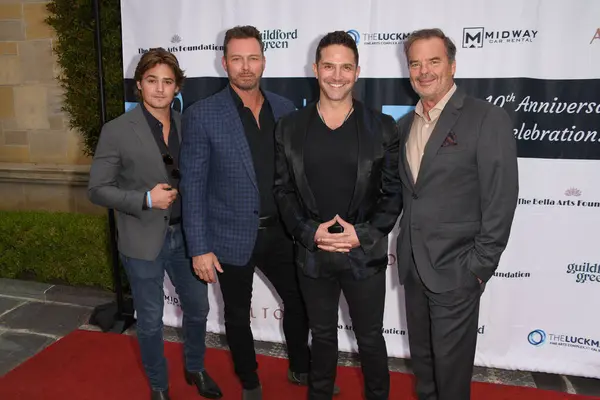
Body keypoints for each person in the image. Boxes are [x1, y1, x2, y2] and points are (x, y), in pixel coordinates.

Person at [180, 26, 314, 400]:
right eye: (236, 58)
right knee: (237, 314)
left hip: (282, 233)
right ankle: (250, 380)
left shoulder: (284, 109)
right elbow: (192, 187)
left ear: (263, 61)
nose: (245, 66)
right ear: (224, 63)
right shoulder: (203, 114)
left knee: (300, 301)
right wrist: (199, 247)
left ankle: (302, 368)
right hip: (228, 235)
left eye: (252, 58)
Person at [273, 31, 402, 400]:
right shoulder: (290, 127)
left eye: (346, 67)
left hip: (363, 254)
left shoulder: (383, 127)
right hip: (313, 255)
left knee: (371, 340)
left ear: (357, 72)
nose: (337, 75)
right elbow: (282, 190)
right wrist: (310, 232)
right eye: (329, 65)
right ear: (315, 69)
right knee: (323, 337)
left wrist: (362, 234)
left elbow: (392, 193)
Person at [88, 48, 222, 400]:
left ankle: (195, 368)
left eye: (167, 82)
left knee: (199, 309)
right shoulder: (117, 130)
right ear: (139, 85)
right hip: (142, 238)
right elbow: (97, 189)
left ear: (177, 87)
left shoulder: (186, 123)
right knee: (149, 320)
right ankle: (160, 388)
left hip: (188, 237)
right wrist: (145, 199)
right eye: (152, 81)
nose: (160, 89)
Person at [395, 28, 519, 400]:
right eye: (415, 63)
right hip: (414, 269)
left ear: (451, 65)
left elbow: (501, 197)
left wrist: (479, 268)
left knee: (451, 377)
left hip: (457, 270)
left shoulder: (486, 118)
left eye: (433, 61)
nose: (424, 71)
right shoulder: (404, 126)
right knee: (425, 369)